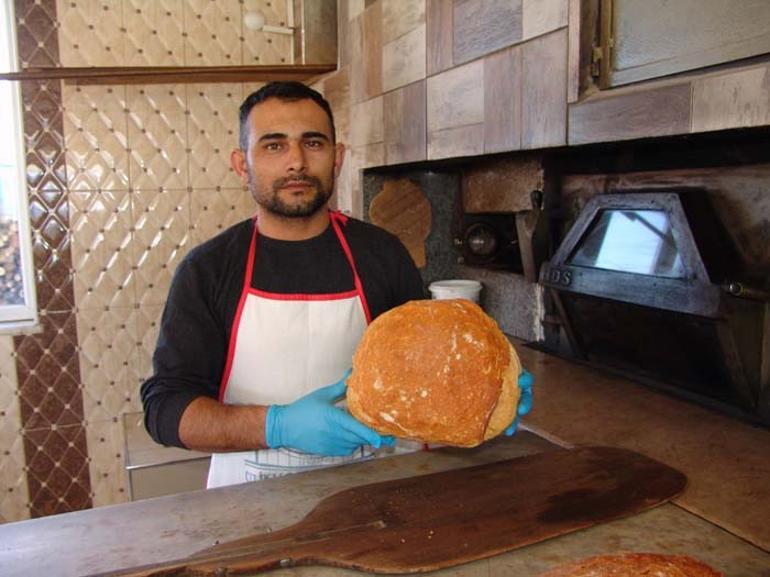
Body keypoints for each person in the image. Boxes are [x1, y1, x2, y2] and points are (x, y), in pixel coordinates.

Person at [140, 81, 532, 489]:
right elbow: (165, 409)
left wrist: (484, 399)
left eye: (313, 143)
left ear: (337, 158)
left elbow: (426, 379)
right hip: (252, 500)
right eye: (274, 146)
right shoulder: (208, 269)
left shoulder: (382, 253)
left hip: (378, 486)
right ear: (242, 166)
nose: (296, 162)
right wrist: (277, 426)